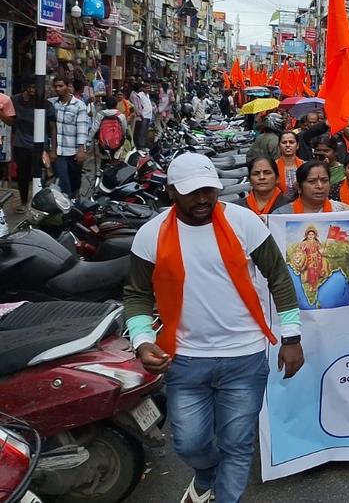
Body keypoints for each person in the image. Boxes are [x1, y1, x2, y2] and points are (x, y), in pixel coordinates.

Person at [122, 153, 304, 503]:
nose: (204, 199)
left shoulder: (243, 222)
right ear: (172, 191)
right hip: (186, 359)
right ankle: (205, 474)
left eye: (209, 190)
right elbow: (137, 295)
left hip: (245, 357)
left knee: (237, 444)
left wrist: (291, 336)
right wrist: (143, 341)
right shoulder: (150, 235)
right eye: (193, 192)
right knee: (188, 443)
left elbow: (279, 278)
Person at [10, 78, 55, 214]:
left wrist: (53, 149)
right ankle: (24, 202)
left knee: (42, 175)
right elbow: (11, 120)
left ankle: (40, 203)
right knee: (22, 175)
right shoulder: (16, 100)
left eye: (34, 88)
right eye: (29, 87)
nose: (31, 90)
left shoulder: (47, 105)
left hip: (40, 146)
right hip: (21, 145)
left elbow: (53, 128)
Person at [50, 75, 90, 198]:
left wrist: (81, 149)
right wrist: (52, 150)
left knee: (75, 182)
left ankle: (74, 205)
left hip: (73, 151)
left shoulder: (79, 105)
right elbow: (52, 127)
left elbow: (82, 128)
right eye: (56, 86)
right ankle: (65, 210)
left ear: (68, 87)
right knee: (63, 182)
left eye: (61, 86)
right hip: (59, 152)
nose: (58, 89)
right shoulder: (52, 104)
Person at [274, 160, 349, 214]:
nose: (320, 186)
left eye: (324, 180)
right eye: (312, 181)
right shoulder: (282, 214)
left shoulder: (343, 212)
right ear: (299, 187)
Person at [276, 132, 302, 196]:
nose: (288, 145)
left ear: (297, 145)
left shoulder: (304, 165)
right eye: (284, 142)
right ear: (279, 146)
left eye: (291, 142)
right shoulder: (273, 166)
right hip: (279, 204)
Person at [131, 82, 153, 148]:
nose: (148, 89)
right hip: (144, 115)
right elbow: (138, 105)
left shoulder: (147, 95)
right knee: (141, 131)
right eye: (147, 88)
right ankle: (141, 145)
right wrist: (140, 114)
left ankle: (143, 143)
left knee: (145, 131)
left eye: (149, 88)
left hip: (149, 115)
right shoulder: (140, 95)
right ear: (143, 88)